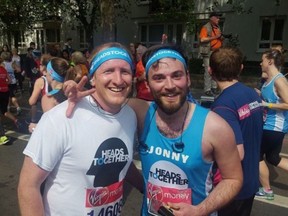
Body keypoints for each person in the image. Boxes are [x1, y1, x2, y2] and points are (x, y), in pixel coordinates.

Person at [64, 44, 243, 216]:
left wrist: (200, 210)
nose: (170, 85)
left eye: (176, 75)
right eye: (159, 78)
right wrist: (81, 98)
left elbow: (233, 179)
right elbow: (108, 97)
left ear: (187, 78)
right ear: (147, 84)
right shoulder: (140, 112)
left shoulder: (215, 127)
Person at [18, 42, 143, 215]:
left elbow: (120, 160)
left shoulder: (129, 116)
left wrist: (146, 188)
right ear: (93, 78)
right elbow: (28, 186)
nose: (118, 80)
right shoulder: (61, 118)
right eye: (108, 71)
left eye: (125, 72)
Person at [209, 47, 263, 216]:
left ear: (210, 71)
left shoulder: (222, 106)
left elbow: (236, 153)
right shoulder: (253, 94)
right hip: (251, 180)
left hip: (232, 187)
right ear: (241, 68)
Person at [255, 48, 288, 200]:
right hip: (269, 126)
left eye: (262, 60)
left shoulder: (279, 81)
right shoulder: (269, 79)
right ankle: (266, 189)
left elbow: (287, 104)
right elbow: (272, 99)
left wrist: (265, 105)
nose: (260, 63)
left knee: (257, 155)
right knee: (274, 158)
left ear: (270, 61)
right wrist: (259, 94)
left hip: (274, 127)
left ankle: (267, 190)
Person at [199, 11, 223, 96]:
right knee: (208, 70)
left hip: (216, 52)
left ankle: (214, 87)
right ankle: (207, 89)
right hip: (208, 52)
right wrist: (215, 37)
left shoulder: (217, 27)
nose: (218, 19)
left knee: (215, 69)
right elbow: (202, 39)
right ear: (212, 18)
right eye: (217, 17)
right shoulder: (206, 27)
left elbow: (217, 38)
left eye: (219, 18)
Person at [28, 54, 52, 128]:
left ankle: (33, 120)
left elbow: (32, 101)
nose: (39, 65)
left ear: (44, 67)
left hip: (48, 112)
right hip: (59, 109)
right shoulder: (55, 76)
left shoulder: (41, 81)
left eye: (40, 64)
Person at [1, 51, 22, 115]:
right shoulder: (12, 63)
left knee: (11, 95)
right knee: (9, 95)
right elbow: (19, 70)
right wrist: (14, 70)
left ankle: (18, 107)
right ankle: (8, 108)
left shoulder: (2, 64)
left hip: (7, 82)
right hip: (13, 81)